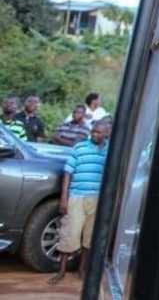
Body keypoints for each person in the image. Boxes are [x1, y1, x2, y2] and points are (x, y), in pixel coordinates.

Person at [49, 119, 110, 285]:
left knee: (89, 237)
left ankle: (81, 269)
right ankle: (61, 271)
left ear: (106, 133)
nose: (95, 134)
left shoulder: (110, 150)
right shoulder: (79, 147)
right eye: (93, 131)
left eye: (99, 132)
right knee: (70, 233)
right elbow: (68, 173)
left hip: (97, 199)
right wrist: (64, 197)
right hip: (77, 197)